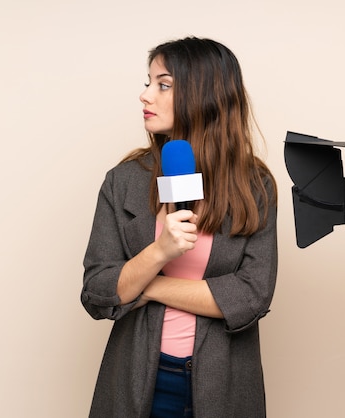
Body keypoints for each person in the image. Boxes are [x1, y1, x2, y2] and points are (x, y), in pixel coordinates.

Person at [81, 37, 278, 418]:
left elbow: (253, 295)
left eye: (163, 84)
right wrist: (159, 251)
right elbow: (98, 292)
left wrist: (146, 286)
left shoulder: (254, 185)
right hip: (139, 378)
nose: (145, 95)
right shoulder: (123, 181)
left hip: (224, 384)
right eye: (148, 82)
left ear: (205, 94)